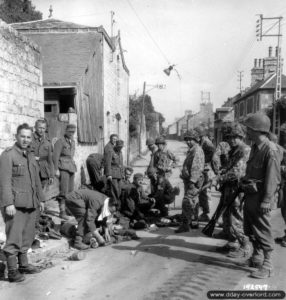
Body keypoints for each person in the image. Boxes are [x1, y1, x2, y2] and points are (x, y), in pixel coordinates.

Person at [240, 113, 283, 279]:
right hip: (251, 195)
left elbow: (273, 178)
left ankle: (268, 264)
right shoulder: (255, 148)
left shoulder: (270, 150)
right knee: (251, 228)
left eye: (248, 129)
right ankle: (257, 258)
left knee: (263, 230)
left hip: (262, 197)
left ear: (257, 130)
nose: (246, 133)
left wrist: (266, 200)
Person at [0, 123, 45, 282]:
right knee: (14, 236)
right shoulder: (8, 155)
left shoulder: (31, 155)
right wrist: (8, 203)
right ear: (16, 136)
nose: (25, 140)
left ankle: (23, 265)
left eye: (28, 137)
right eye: (22, 136)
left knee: (27, 235)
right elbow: (4, 182)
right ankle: (12, 271)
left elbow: (36, 179)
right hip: (15, 205)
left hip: (31, 202)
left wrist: (41, 199)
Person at [215, 123, 251, 258]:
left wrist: (220, 177)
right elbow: (229, 166)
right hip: (229, 188)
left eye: (235, 137)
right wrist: (222, 171)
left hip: (237, 188)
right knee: (227, 217)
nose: (231, 140)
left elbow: (237, 172)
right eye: (229, 137)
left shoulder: (244, 150)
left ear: (241, 136)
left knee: (236, 218)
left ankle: (245, 246)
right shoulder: (234, 150)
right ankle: (232, 243)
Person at [175, 130, 205, 233]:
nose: (188, 142)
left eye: (190, 140)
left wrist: (192, 181)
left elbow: (196, 167)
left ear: (195, 140)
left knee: (187, 202)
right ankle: (194, 222)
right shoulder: (192, 150)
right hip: (191, 180)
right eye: (186, 140)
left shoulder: (196, 150)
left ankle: (185, 225)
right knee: (194, 201)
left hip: (193, 181)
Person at [53, 124, 77, 220]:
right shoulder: (60, 141)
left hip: (71, 167)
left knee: (70, 191)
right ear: (66, 131)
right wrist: (56, 169)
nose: (71, 133)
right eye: (70, 131)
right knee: (63, 191)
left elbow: (71, 156)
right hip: (63, 168)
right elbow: (55, 157)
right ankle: (62, 212)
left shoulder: (73, 142)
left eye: (73, 132)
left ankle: (68, 210)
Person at [194, 126, 215, 222]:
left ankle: (206, 214)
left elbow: (212, 155)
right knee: (202, 193)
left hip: (207, 170)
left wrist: (201, 161)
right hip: (203, 170)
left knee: (205, 192)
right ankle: (204, 212)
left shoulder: (207, 143)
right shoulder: (202, 142)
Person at [30, 119, 54, 188]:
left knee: (41, 191)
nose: (41, 130)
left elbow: (50, 160)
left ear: (45, 129)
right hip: (32, 169)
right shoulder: (29, 138)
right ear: (35, 127)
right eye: (39, 127)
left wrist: (51, 175)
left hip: (44, 171)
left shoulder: (47, 142)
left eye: (43, 128)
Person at [104, 140, 124, 209]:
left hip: (119, 174)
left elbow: (121, 164)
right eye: (119, 147)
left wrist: (123, 173)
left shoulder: (120, 152)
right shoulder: (111, 151)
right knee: (114, 190)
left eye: (121, 147)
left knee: (119, 190)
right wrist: (108, 174)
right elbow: (107, 163)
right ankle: (114, 205)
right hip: (113, 174)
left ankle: (118, 205)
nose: (120, 148)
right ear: (116, 146)